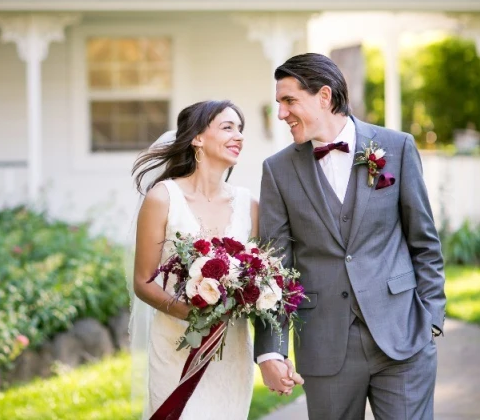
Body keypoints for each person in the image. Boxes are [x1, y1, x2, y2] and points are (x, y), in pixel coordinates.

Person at [255, 53, 446, 420]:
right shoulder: (277, 170)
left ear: (324, 97)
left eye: (289, 101)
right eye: (279, 103)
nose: (281, 114)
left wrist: (431, 318)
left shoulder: (397, 147)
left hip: (403, 337)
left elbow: (424, 242)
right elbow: (274, 271)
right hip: (324, 346)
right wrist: (271, 350)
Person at [132, 99, 260, 420]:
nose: (239, 136)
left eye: (240, 129)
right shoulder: (163, 198)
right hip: (177, 346)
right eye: (228, 127)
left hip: (231, 348)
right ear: (197, 138)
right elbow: (143, 281)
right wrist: (194, 316)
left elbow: (261, 274)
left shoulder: (249, 204)